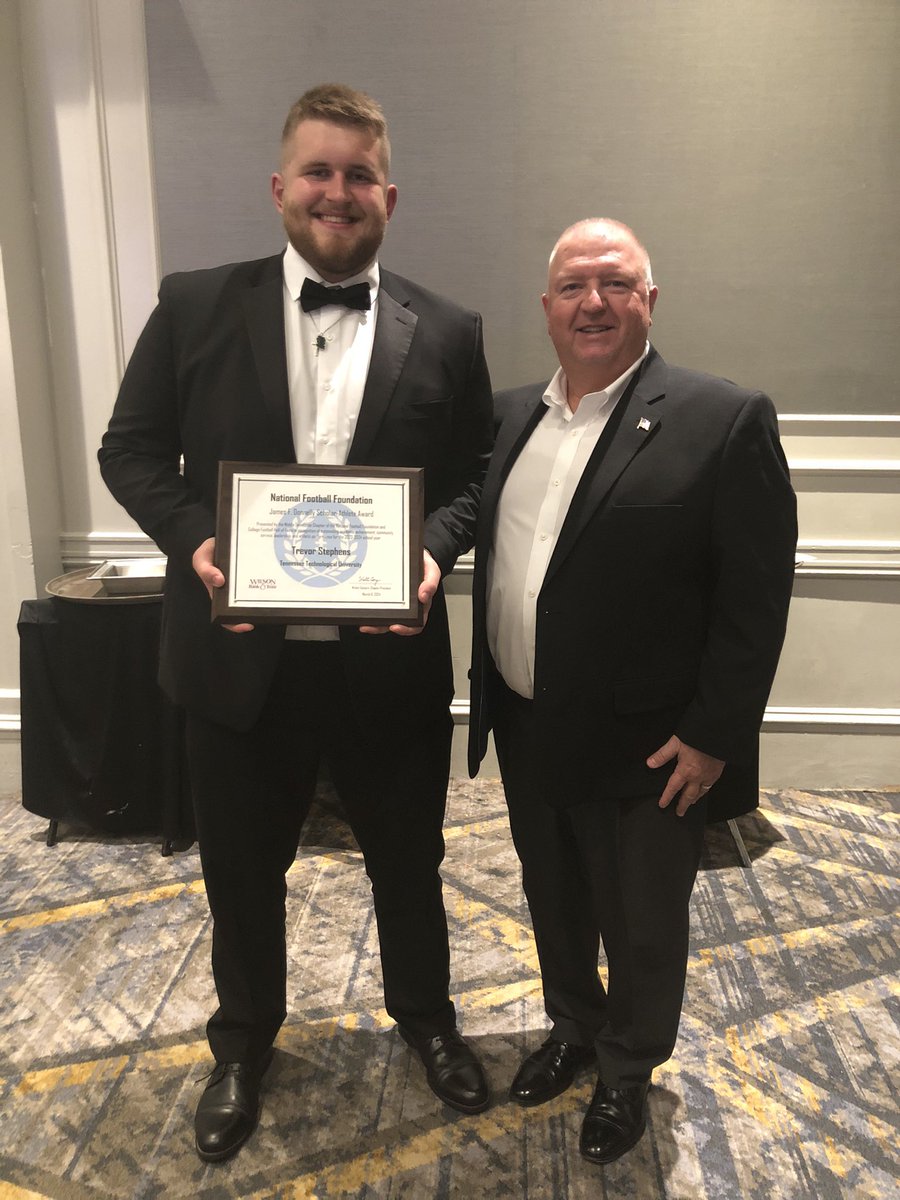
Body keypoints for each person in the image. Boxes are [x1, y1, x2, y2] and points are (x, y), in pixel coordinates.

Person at [99, 84, 493, 1163]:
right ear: (280, 187)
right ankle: (242, 1044)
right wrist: (197, 542)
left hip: (388, 666)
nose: (337, 192)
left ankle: (428, 1019)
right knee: (239, 869)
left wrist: (434, 550)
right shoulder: (192, 306)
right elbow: (127, 450)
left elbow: (478, 475)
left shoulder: (451, 331)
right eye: (317, 172)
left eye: (357, 174)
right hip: (236, 663)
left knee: (409, 864)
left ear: (389, 195)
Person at [467, 218, 796, 1164]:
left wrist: (714, 733)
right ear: (547, 307)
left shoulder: (722, 418)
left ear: (649, 301)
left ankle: (626, 1069)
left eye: (616, 284)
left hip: (652, 744)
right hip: (530, 722)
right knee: (553, 896)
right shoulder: (508, 416)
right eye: (574, 285)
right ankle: (571, 1026)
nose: (594, 302)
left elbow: (755, 598)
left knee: (644, 921)